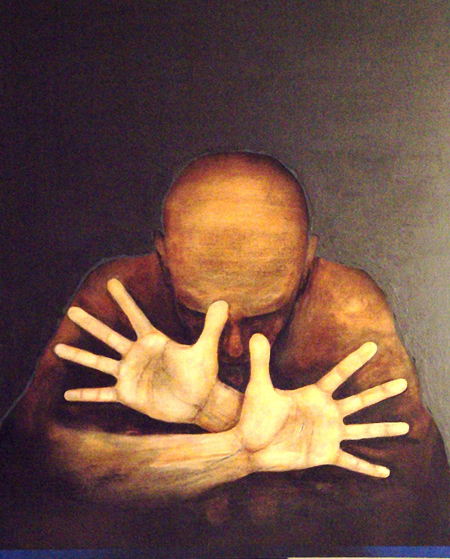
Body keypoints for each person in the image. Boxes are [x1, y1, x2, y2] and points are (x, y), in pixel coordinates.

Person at [4, 152, 449, 551]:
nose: (234, 346)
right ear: (164, 258)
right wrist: (238, 449)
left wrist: (213, 421)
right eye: (195, 311)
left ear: (307, 263)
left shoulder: (348, 311)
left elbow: (415, 504)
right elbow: (27, 470)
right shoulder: (119, 299)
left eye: (266, 314)